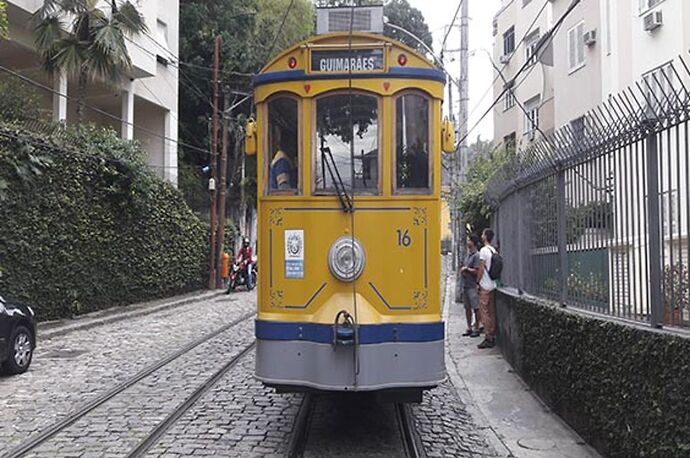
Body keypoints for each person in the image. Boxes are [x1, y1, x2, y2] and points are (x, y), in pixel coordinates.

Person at [476, 228, 498, 349]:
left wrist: (477, 281)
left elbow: (481, 268)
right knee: (492, 312)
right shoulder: (493, 250)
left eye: (483, 234)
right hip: (493, 284)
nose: (481, 235)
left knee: (484, 312)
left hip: (485, 285)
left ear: (485, 237)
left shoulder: (484, 250)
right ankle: (492, 334)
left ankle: (488, 337)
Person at [460, 235, 482, 338]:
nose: (467, 241)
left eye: (469, 240)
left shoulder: (477, 256)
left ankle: (477, 327)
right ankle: (469, 327)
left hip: (472, 285)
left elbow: (477, 271)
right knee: (467, 308)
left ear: (473, 242)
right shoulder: (467, 255)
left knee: (476, 307)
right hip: (465, 285)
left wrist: (467, 270)